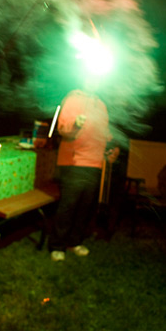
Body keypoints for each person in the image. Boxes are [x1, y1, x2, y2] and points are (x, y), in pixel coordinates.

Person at [48, 80, 119, 261]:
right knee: (68, 205)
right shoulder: (73, 99)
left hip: (94, 163)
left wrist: (112, 146)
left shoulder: (101, 105)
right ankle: (57, 245)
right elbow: (63, 128)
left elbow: (104, 132)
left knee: (85, 207)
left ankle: (75, 242)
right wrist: (75, 123)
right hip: (74, 161)